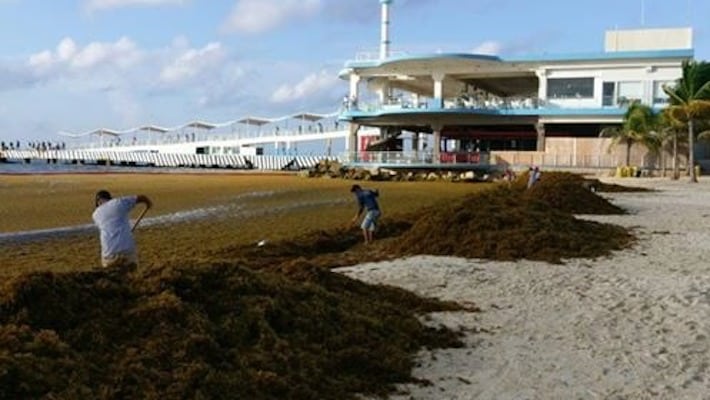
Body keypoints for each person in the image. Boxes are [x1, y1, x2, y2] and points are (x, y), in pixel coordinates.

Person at [92, 190, 152, 271]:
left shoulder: (95, 215)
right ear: (109, 198)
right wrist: (148, 203)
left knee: (111, 276)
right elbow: (141, 197)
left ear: (98, 202)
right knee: (132, 274)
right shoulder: (118, 203)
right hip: (126, 251)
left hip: (108, 254)